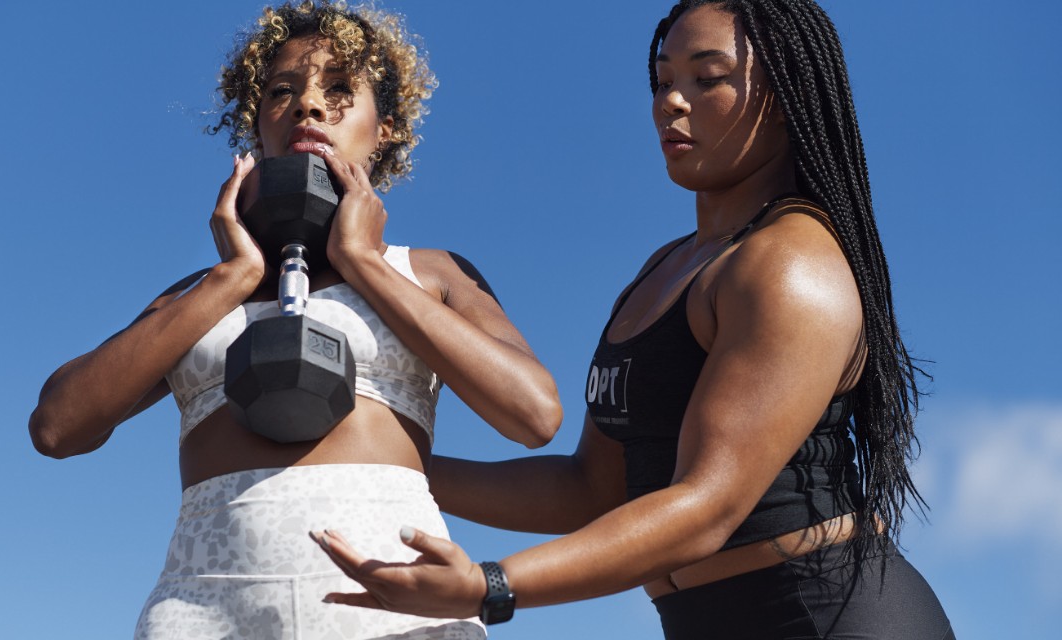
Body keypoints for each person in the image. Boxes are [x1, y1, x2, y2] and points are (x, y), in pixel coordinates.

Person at [311, 1, 956, 638]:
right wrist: (385, 467)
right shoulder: (664, 269)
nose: (671, 102)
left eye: (707, 78)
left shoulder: (790, 262)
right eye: (662, 81)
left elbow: (709, 507)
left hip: (822, 616)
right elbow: (591, 489)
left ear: (786, 94)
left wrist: (491, 585)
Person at [27, 2, 562, 639]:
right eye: (283, 91)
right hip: (206, 603)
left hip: (391, 602)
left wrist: (362, 261)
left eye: (339, 90)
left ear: (384, 128)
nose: (308, 106)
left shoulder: (431, 272)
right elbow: (58, 426)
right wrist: (230, 279)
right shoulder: (202, 290)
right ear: (255, 125)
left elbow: (534, 414)